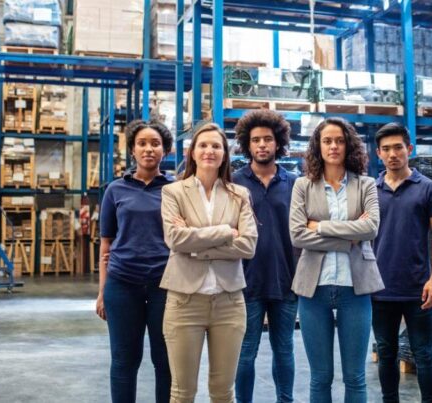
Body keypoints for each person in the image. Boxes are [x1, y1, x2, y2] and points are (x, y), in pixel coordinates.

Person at [160, 122, 258, 403]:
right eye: (203, 145)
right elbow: (175, 239)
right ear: (191, 152)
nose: (209, 151)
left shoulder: (240, 195)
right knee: (182, 393)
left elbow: (248, 245)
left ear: (225, 154)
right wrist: (226, 232)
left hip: (229, 303)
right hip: (184, 302)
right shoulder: (173, 192)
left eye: (216, 146)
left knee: (223, 392)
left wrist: (196, 245)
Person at [289, 117, 383, 403]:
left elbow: (371, 228)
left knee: (355, 377)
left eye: (339, 141)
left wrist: (319, 226)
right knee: (320, 377)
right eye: (327, 141)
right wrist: (350, 237)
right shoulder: (303, 186)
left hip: (355, 289)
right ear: (318, 146)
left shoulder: (365, 184)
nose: (333, 146)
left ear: (348, 145)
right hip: (313, 290)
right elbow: (297, 235)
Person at [96, 119, 175, 403]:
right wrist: (102, 291)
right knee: (124, 361)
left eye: (155, 144)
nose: (149, 149)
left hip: (164, 285)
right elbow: (106, 243)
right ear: (132, 150)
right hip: (122, 284)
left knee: (165, 361)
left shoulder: (174, 190)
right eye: (142, 143)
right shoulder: (115, 190)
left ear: (165, 150)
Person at [370, 123, 432, 403]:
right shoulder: (371, 190)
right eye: (386, 149)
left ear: (409, 150)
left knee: (424, 353)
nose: (393, 154)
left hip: (419, 288)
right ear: (378, 153)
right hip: (380, 288)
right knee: (386, 353)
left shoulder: (427, 188)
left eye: (398, 147)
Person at [232, 110, 298, 403]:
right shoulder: (234, 183)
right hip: (247, 283)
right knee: (245, 353)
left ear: (278, 143)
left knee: (284, 350)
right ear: (247, 144)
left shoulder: (295, 183)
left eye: (267, 139)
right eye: (256, 140)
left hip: (287, 281)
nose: (262, 145)